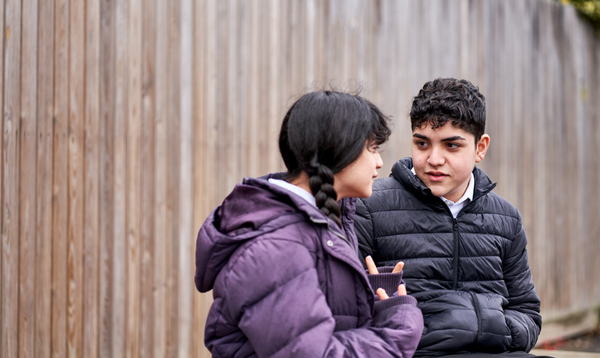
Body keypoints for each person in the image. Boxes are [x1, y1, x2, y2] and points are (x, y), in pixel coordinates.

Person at [195, 90, 424, 358]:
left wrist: (374, 300)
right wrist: (399, 327)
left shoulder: (325, 221)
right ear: (339, 149)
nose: (379, 162)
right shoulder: (276, 248)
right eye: (372, 148)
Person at [353, 78, 544, 357]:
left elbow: (527, 313)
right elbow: (350, 312)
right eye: (422, 144)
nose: (434, 159)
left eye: (451, 146)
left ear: (480, 148)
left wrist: (485, 326)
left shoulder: (506, 219)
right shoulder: (368, 207)